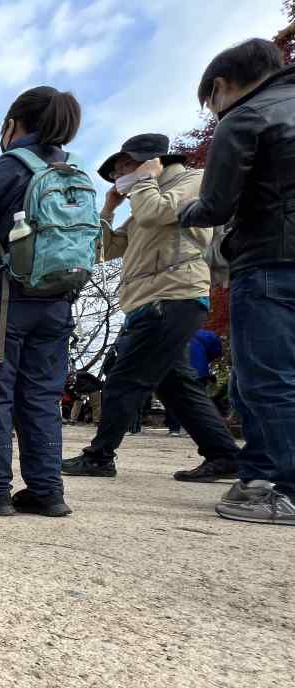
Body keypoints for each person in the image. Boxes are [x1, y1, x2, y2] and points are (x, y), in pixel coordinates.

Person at [61, 133, 239, 483]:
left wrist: (142, 182)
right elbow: (105, 250)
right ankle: (223, 454)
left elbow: (160, 214)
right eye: (115, 174)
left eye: (124, 166)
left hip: (173, 295)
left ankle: (100, 456)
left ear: (151, 161)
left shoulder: (192, 181)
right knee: (176, 385)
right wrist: (109, 209)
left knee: (123, 378)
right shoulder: (142, 199)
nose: (118, 177)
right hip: (147, 300)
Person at [0, 86, 85, 517]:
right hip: (57, 300)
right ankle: (47, 490)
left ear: (13, 124)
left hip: (3, 298)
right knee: (44, 396)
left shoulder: (1, 171)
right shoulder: (73, 173)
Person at [179, 38, 295, 524]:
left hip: (272, 258)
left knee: (267, 377)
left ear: (221, 86)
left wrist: (191, 213)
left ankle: (273, 484)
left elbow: (217, 204)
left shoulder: (246, 117)